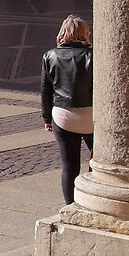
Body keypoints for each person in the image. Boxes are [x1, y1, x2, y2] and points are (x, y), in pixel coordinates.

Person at [40, 15, 94, 205]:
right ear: (85, 33)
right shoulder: (92, 55)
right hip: (91, 115)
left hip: (63, 115)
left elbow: (46, 91)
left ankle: (70, 205)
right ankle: (93, 196)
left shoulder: (50, 55)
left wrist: (47, 118)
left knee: (69, 165)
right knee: (99, 161)